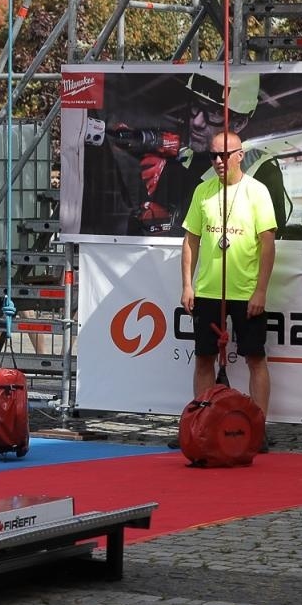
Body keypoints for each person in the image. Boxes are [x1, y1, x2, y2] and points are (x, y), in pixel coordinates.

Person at [179, 130, 278, 437]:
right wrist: (187, 285)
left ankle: (257, 429)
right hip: (209, 291)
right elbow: (191, 240)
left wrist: (260, 290)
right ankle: (201, 427)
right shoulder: (203, 191)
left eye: (225, 155)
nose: (219, 161)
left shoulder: (257, 192)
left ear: (240, 155)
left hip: (246, 292)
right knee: (203, 358)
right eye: (213, 156)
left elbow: (268, 244)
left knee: (255, 358)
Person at [106, 72, 271, 237]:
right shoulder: (182, 160)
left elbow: (274, 241)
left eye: (215, 113)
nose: (197, 122)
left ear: (239, 123)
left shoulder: (262, 171)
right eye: (196, 106)